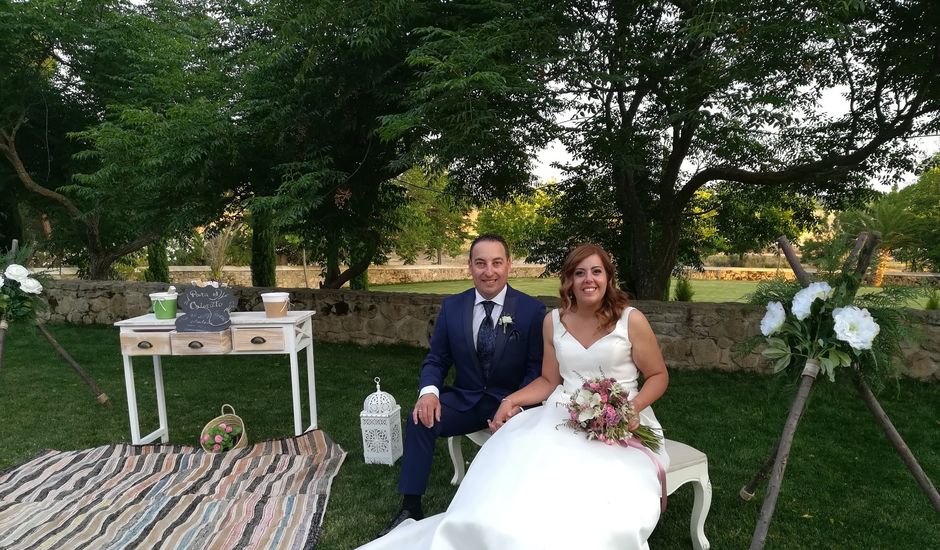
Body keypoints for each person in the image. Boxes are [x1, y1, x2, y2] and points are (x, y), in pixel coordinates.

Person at [361, 243, 670, 550]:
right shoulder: (547, 319)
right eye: (579, 273)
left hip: (614, 415)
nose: (588, 279)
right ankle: (417, 507)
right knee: (432, 425)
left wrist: (630, 408)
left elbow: (655, 375)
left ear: (508, 264)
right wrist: (435, 393)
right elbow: (546, 378)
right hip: (518, 405)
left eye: (596, 272)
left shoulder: (614, 318)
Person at [377, 234, 546, 537]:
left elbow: (536, 368)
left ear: (509, 265)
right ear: (469, 266)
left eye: (496, 263)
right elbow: (437, 359)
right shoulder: (453, 307)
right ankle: (411, 505)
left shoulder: (532, 311)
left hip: (514, 404)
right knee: (420, 419)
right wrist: (429, 392)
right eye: (480, 263)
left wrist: (517, 405)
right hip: (466, 399)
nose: (488, 271)